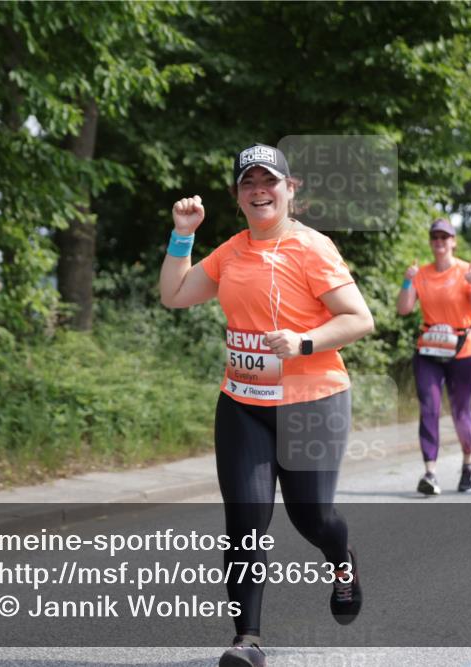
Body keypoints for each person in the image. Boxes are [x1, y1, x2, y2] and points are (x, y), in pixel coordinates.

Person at [159, 144, 375, 667]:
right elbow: (176, 294)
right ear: (238, 196)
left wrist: (303, 342)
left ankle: (341, 561)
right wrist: (183, 234)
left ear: (289, 189)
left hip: (312, 401)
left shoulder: (312, 248)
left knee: (313, 516)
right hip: (243, 402)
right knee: (245, 520)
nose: (259, 190)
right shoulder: (231, 251)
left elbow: (359, 318)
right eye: (248, 183)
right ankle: (247, 640)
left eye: (269, 181)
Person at [397, 218, 471, 495]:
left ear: (453, 241)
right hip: (429, 349)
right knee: (429, 408)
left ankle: (469, 463)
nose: (439, 242)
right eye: (435, 237)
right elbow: (404, 309)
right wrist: (406, 280)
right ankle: (430, 473)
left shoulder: (467, 270)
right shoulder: (421, 274)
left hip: (464, 349)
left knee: (461, 411)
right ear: (430, 242)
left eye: (444, 237)